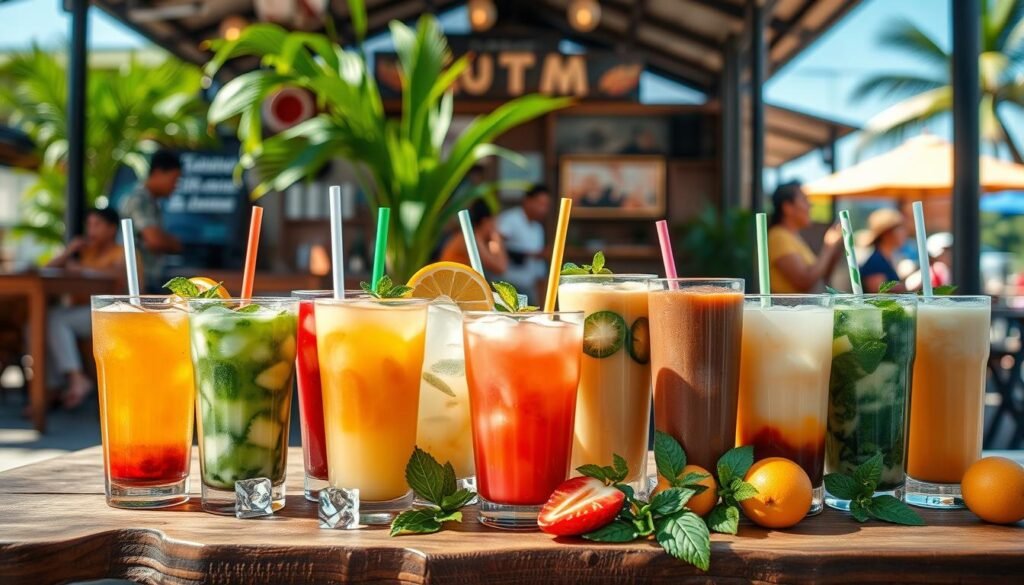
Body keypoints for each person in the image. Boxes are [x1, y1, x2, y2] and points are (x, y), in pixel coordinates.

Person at [45, 207, 125, 409]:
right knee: (37, 324)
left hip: (112, 313)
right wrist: (68, 251)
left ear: (111, 229)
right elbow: (47, 270)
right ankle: (51, 389)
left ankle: (76, 379)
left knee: (56, 320)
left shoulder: (122, 252)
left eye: (97, 225)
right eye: (89, 224)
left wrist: (82, 269)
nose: (91, 230)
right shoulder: (84, 253)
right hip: (82, 311)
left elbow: (120, 278)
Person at [118, 149, 183, 291]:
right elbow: (154, 240)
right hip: (138, 282)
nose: (175, 186)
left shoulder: (151, 200)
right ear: (158, 172)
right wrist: (175, 244)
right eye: (174, 180)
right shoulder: (140, 199)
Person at [767, 182, 843, 293]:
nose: (810, 205)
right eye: (804, 199)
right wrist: (828, 247)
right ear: (787, 207)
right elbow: (804, 281)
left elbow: (820, 276)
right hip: (789, 310)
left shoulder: (792, 236)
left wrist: (835, 250)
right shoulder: (779, 236)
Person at [496, 185, 552, 302]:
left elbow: (538, 265)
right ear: (528, 201)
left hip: (528, 286)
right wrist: (529, 255)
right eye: (540, 204)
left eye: (546, 206)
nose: (543, 209)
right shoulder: (511, 219)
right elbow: (494, 243)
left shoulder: (537, 228)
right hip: (507, 285)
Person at [439, 199, 508, 276]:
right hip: (451, 281)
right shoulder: (471, 238)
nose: (496, 226)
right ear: (486, 221)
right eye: (494, 222)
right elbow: (500, 267)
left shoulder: (472, 235)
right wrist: (495, 237)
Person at [858, 208, 909, 293]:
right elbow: (878, 291)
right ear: (886, 233)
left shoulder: (886, 257)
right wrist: (909, 285)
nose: (905, 232)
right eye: (900, 228)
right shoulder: (875, 261)